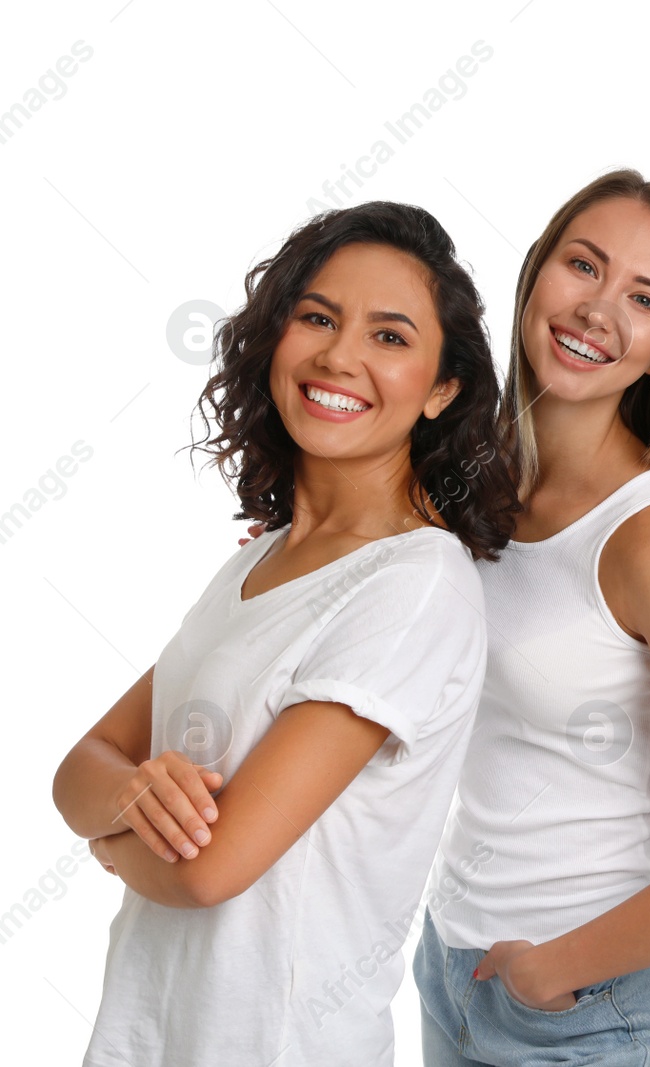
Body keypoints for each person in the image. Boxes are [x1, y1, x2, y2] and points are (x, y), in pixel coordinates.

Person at [53, 201, 517, 1066]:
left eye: (390, 336)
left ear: (441, 388)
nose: (339, 355)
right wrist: (125, 802)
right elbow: (79, 764)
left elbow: (206, 870)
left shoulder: (415, 586)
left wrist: (106, 833)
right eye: (317, 317)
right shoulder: (254, 564)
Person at [413, 170, 650, 1066]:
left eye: (645, 299)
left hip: (592, 1007)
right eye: (582, 265)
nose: (597, 310)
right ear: (535, 272)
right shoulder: (468, 481)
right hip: (450, 970)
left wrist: (552, 971)